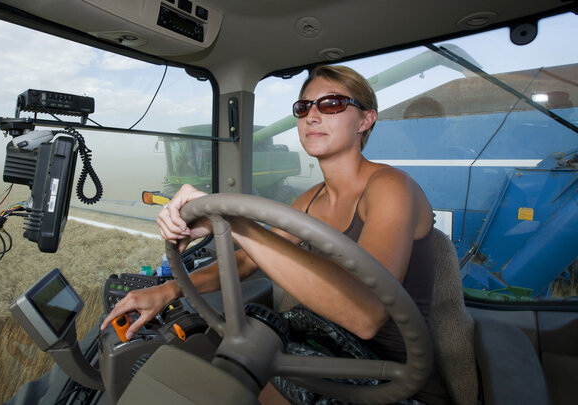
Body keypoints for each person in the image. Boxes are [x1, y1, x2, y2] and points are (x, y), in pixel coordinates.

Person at [100, 65, 439, 404]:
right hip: (329, 350)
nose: (312, 116)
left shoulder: (392, 186)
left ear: (365, 120)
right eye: (303, 107)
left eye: (332, 104)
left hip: (393, 380)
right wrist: (170, 289)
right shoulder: (310, 201)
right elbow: (247, 259)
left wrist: (234, 221)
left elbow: (367, 315)